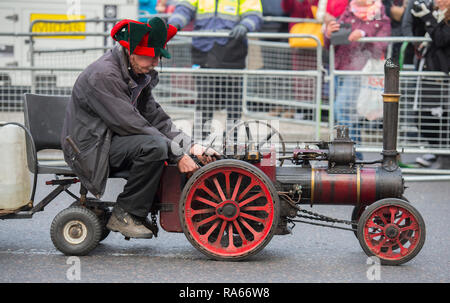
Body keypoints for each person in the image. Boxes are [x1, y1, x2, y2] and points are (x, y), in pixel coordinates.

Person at [61, 17, 219, 239]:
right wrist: (177, 153)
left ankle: (137, 209)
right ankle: (125, 213)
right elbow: (129, 123)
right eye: (151, 57)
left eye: (157, 57)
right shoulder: (104, 75)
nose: (155, 62)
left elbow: (156, 118)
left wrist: (191, 147)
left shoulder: (136, 72)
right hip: (89, 149)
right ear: (131, 52)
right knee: (154, 146)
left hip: (109, 141)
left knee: (158, 143)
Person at [167, 0, 264, 142]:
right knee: (205, 97)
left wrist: (245, 25)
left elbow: (254, 14)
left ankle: (232, 139)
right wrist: (175, 23)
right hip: (203, 49)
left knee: (233, 98)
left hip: (232, 48)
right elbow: (184, 8)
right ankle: (199, 139)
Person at [325, 0, 391, 159]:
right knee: (345, 114)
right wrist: (328, 34)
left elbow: (382, 44)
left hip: (360, 71)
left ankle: (351, 155)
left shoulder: (380, 16)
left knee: (342, 110)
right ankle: (353, 155)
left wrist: (363, 34)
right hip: (340, 69)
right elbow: (330, 45)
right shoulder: (347, 14)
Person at [408, 0, 450, 168]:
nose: (439, 1)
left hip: (443, 75)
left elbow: (441, 39)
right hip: (428, 72)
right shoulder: (434, 15)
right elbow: (417, 34)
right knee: (422, 117)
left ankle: (443, 156)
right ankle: (438, 152)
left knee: (442, 118)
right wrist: (419, 16)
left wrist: (427, 17)